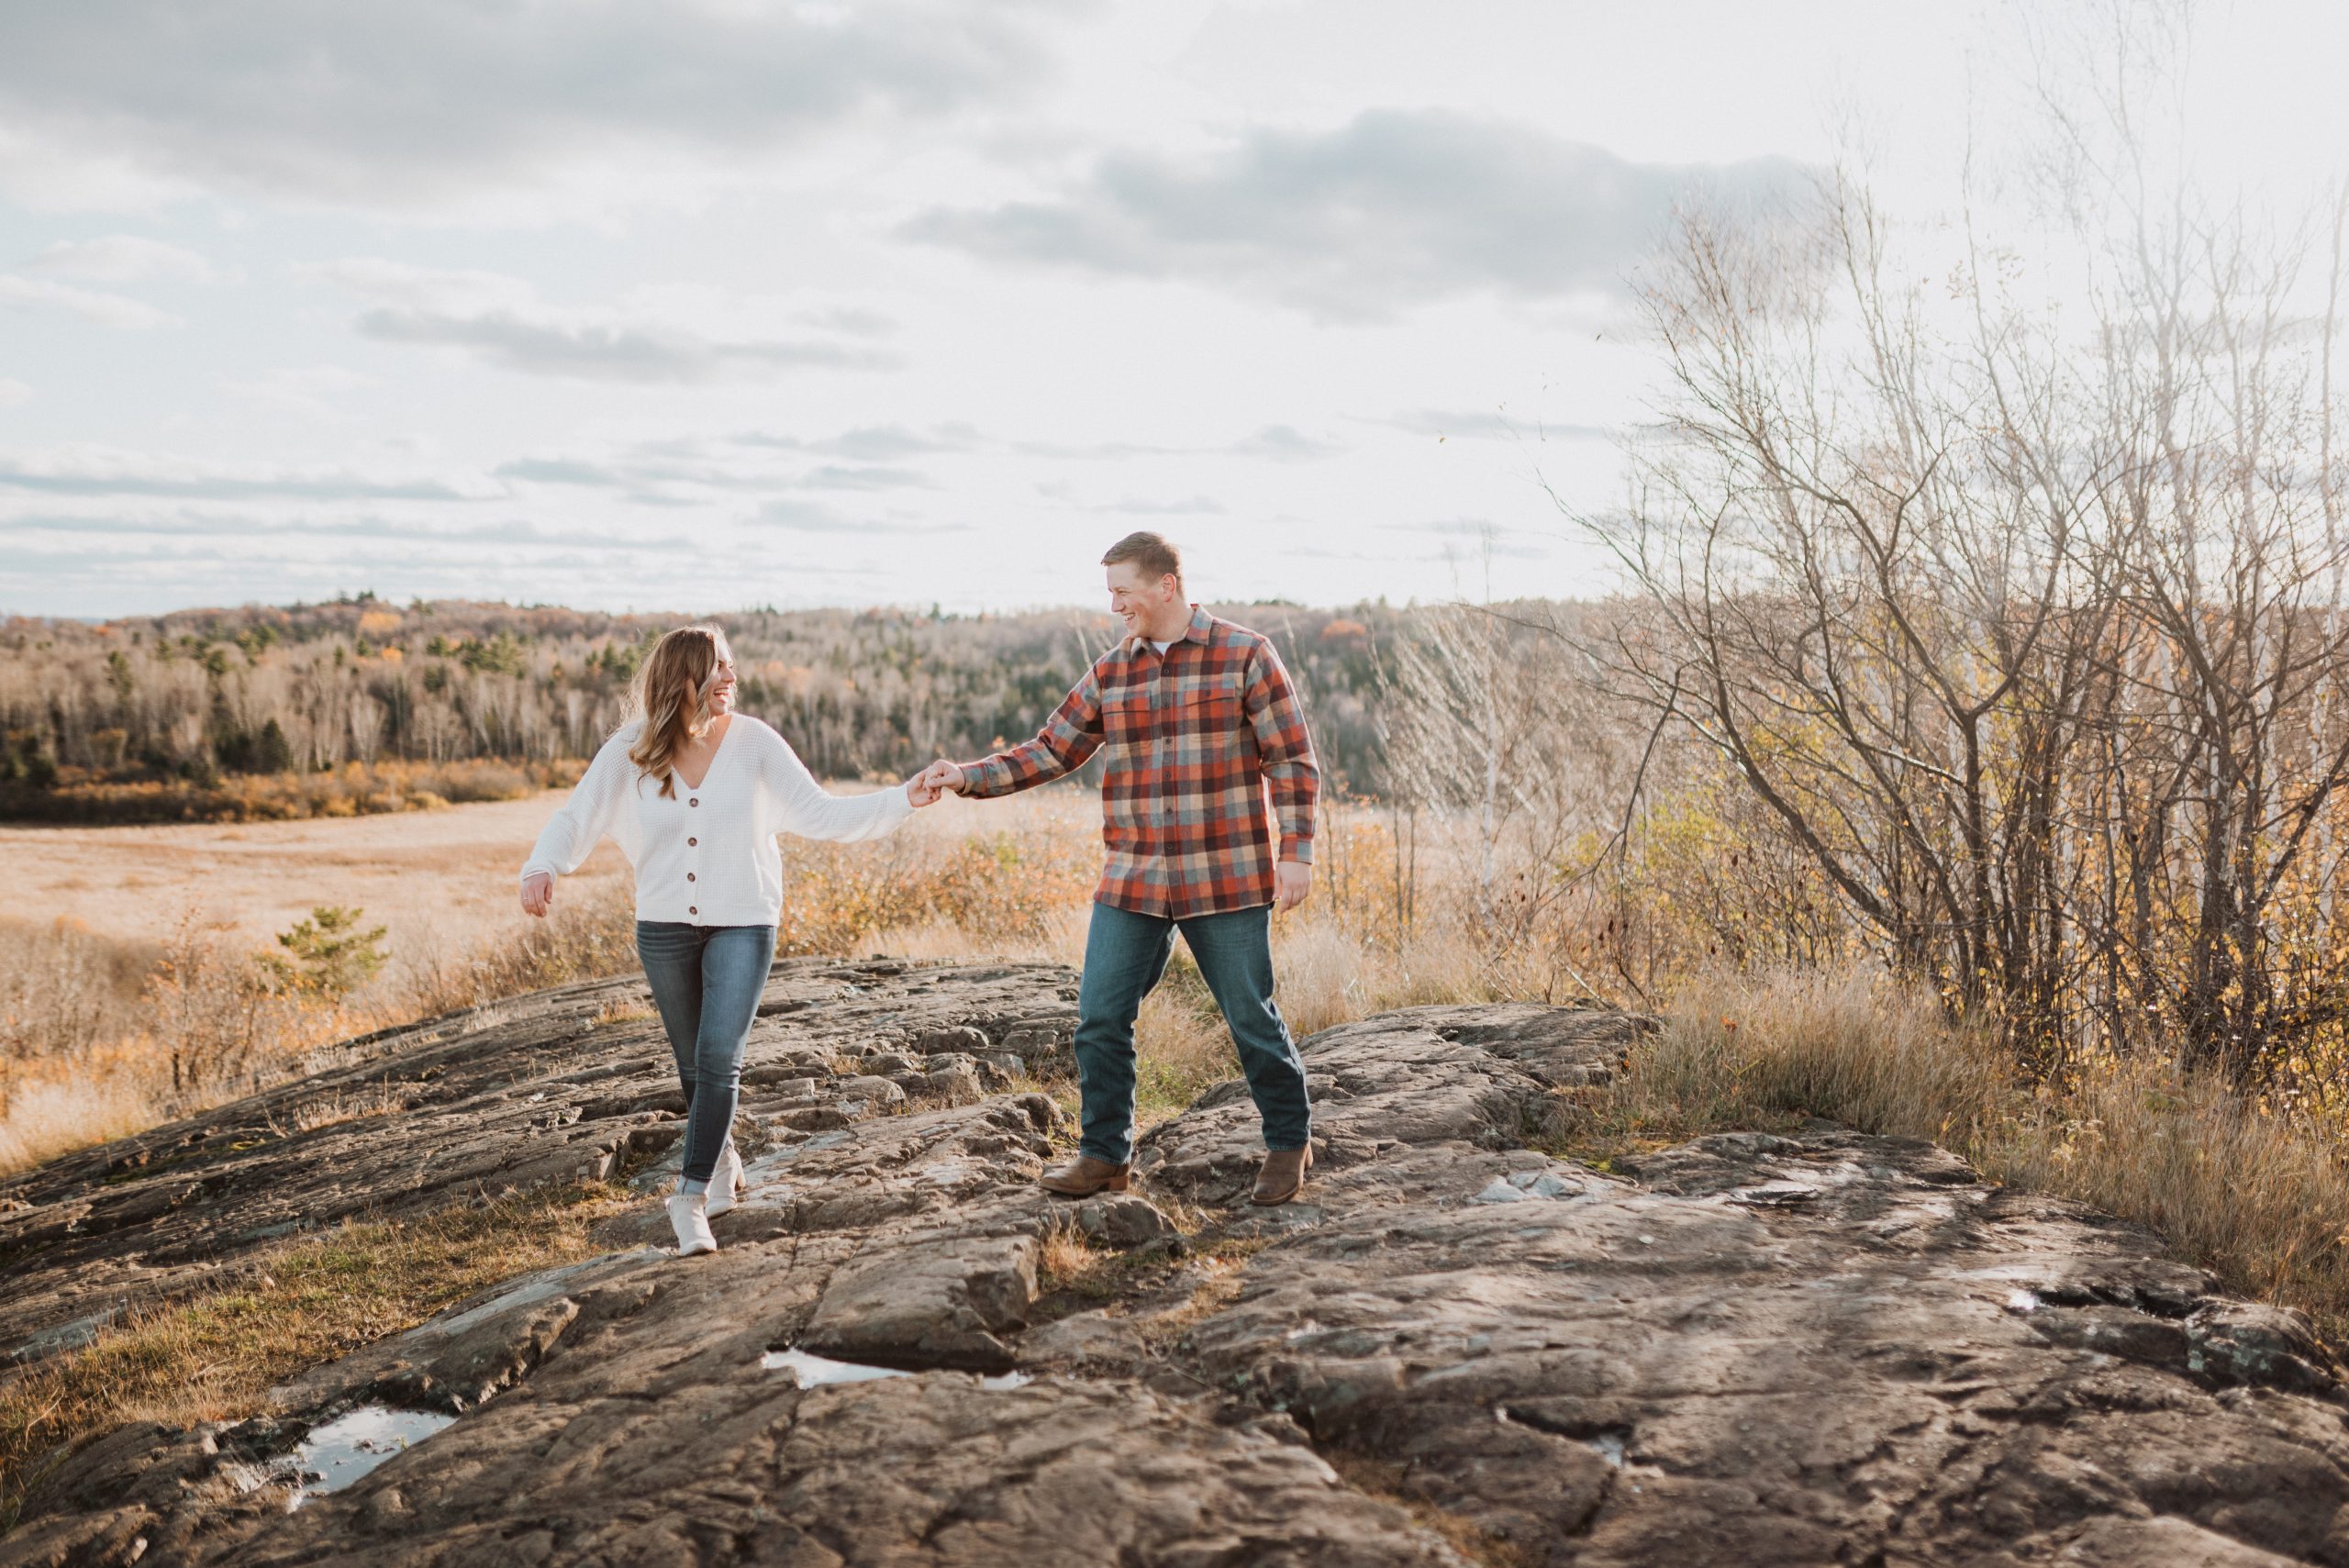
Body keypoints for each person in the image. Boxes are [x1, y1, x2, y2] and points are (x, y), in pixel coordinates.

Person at [918, 532, 1319, 1205]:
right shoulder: (1113, 672)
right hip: (1133, 879)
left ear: (1166, 585)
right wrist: (964, 777)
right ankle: (1106, 1154)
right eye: (1109, 594)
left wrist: (1298, 852)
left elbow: (1292, 759)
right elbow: (1050, 750)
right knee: (1100, 1017)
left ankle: (1288, 1140)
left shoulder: (1245, 654)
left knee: (1250, 1016)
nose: (1114, 607)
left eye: (1122, 592)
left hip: (1224, 876)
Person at [519, 625, 945, 1258]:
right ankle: (721, 1160)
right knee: (694, 1065)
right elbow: (574, 817)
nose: (730, 677)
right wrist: (543, 864)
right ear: (682, 678)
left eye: (731, 665)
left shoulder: (754, 744)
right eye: (716, 667)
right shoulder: (629, 752)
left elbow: (822, 813)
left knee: (720, 1055)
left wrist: (902, 798)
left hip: (745, 920)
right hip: (663, 926)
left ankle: (686, 1197)